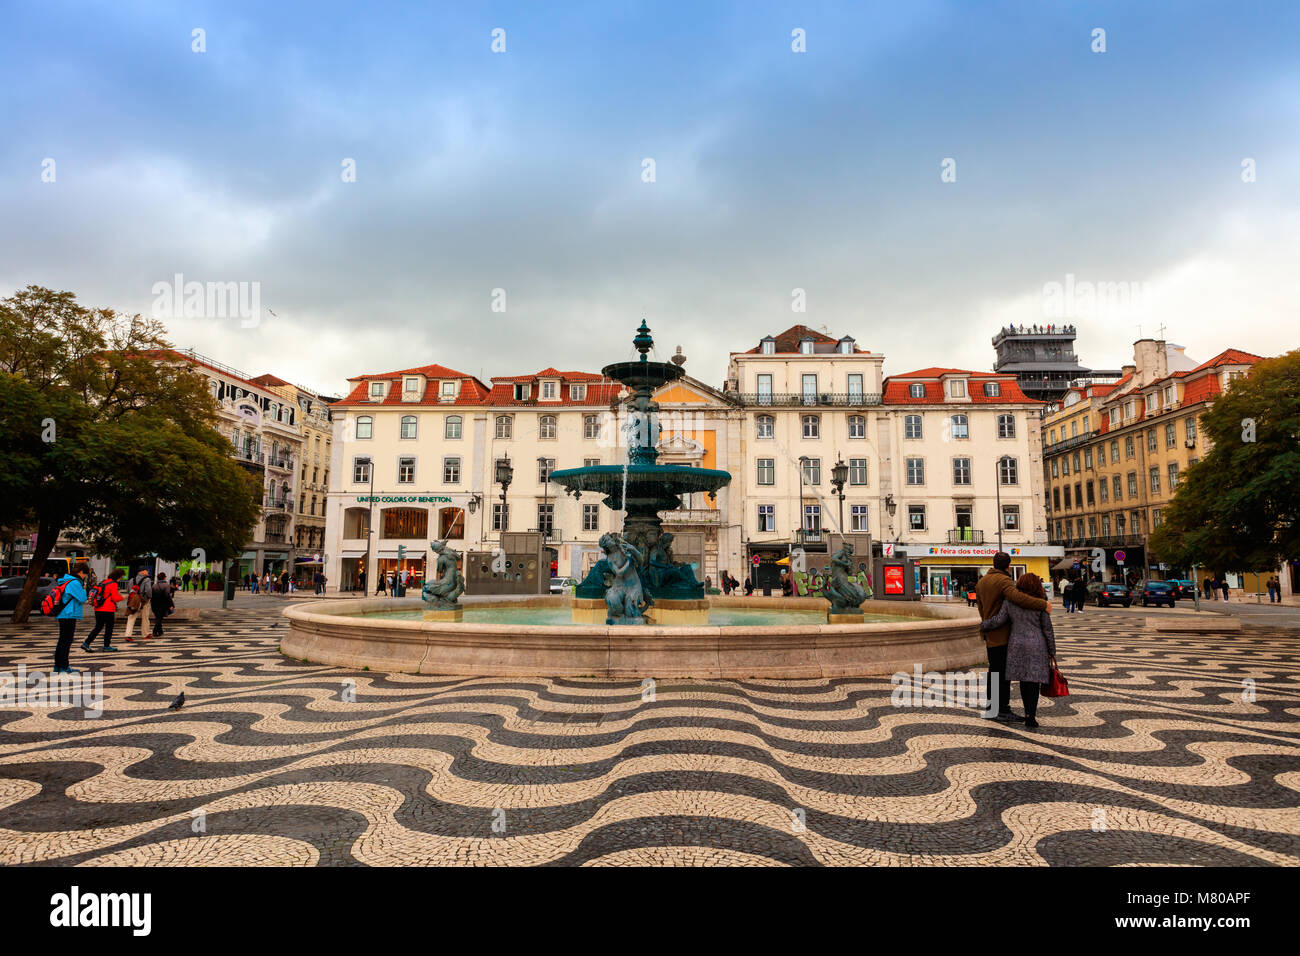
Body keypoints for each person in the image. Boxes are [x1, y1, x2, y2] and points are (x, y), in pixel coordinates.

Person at [975, 551, 1051, 723]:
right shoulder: (1004, 581)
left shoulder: (982, 582)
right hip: (1002, 633)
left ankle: (991, 706)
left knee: (993, 671)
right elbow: (1017, 598)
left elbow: (980, 607)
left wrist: (985, 624)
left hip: (989, 631)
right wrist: (1043, 604)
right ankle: (1002, 709)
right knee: (1002, 673)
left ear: (994, 564)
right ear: (1008, 565)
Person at [51, 562, 92, 674]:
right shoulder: (74, 582)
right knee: (66, 641)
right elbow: (83, 598)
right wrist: (83, 588)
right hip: (69, 614)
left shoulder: (66, 580)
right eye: (85, 574)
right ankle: (64, 666)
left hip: (63, 614)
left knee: (62, 641)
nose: (84, 576)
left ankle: (58, 666)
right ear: (80, 572)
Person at [81, 568, 124, 653]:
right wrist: (123, 597)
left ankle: (86, 643)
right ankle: (106, 646)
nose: (121, 579)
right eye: (121, 577)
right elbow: (115, 598)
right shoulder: (113, 584)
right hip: (108, 609)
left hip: (98, 608)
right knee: (109, 628)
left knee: (98, 627)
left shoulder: (104, 582)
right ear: (118, 576)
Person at [123, 568, 153, 641]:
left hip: (133, 601)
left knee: (131, 617)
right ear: (142, 572)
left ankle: (128, 635)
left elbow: (128, 590)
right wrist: (149, 597)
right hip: (143, 601)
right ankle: (145, 634)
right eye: (146, 570)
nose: (148, 572)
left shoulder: (131, 580)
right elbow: (148, 590)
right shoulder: (147, 580)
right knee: (145, 618)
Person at [150, 572, 174, 638]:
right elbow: (167, 596)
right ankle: (154, 631)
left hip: (154, 604)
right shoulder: (166, 585)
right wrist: (171, 605)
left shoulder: (154, 585)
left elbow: (151, 595)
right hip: (162, 604)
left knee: (158, 617)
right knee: (159, 618)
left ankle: (160, 631)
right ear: (164, 577)